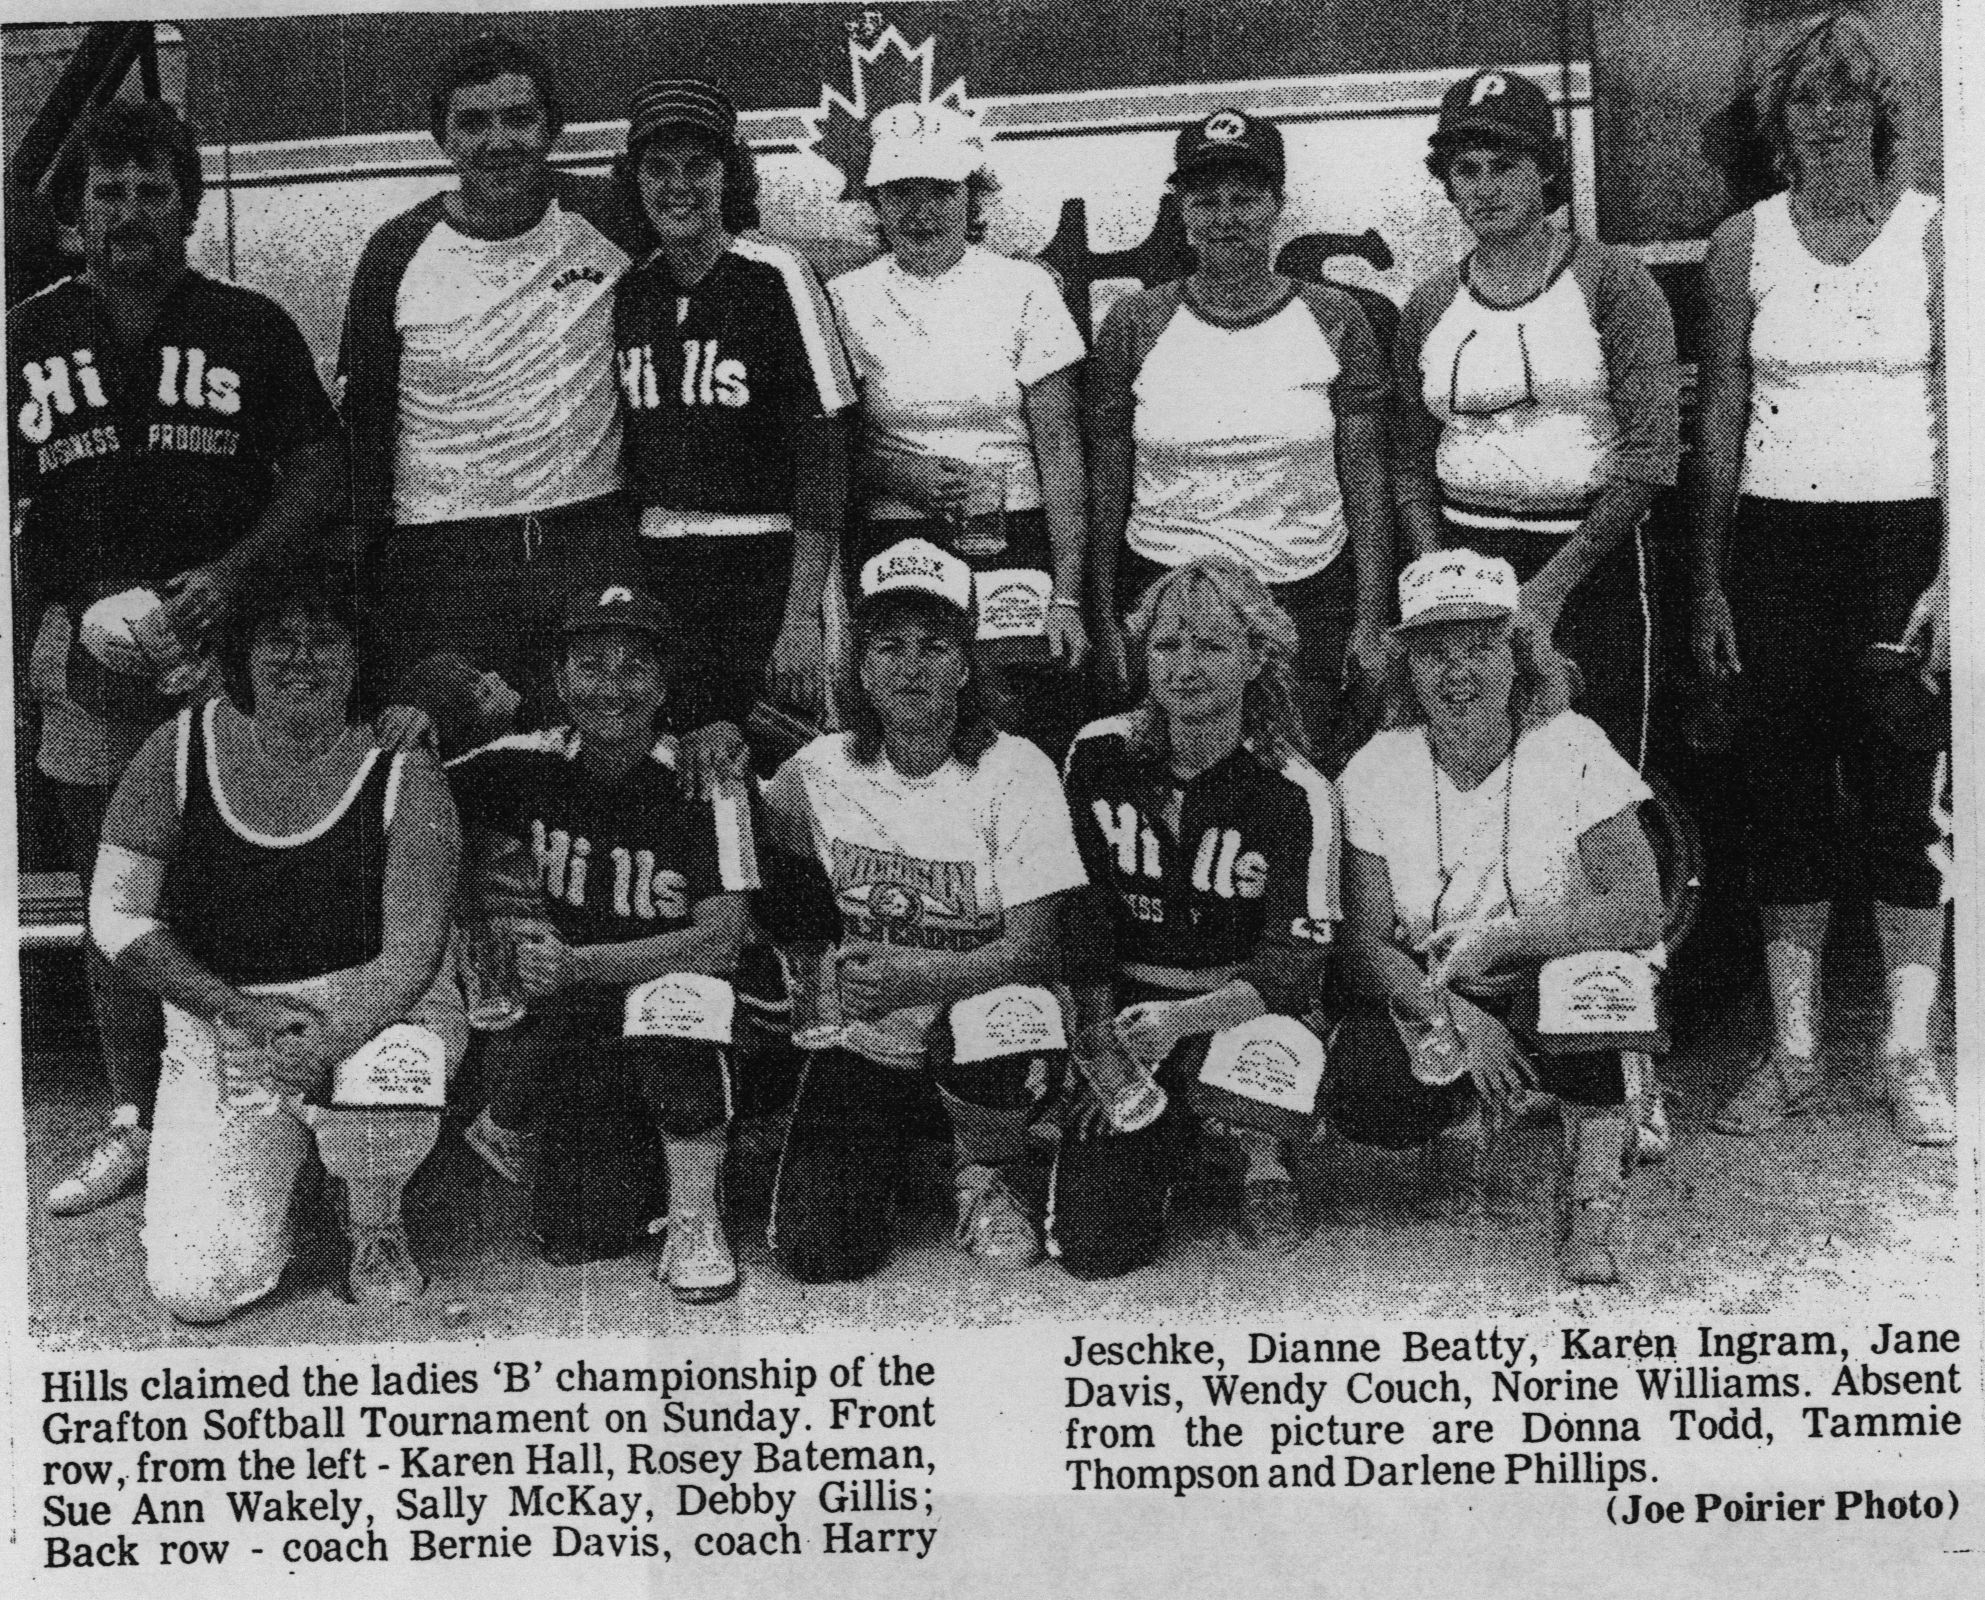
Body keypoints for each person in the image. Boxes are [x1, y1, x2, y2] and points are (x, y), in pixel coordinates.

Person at [11, 101, 345, 1217]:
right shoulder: (28, 334)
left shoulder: (248, 326)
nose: (131, 212)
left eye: (155, 191)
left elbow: (316, 468)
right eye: (109, 192)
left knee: (240, 877)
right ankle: (135, 1119)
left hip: (225, 650)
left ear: (187, 206)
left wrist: (236, 581)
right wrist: (48, 621)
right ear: (78, 210)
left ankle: (259, 1097)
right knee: (118, 901)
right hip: (88, 653)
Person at [1692, 14, 1950, 1145]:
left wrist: (1955, 577)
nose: (1829, 115)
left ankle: (1906, 1055)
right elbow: (1720, 418)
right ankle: (1791, 1053)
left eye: (1848, 96)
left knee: (1903, 795)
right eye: (1805, 98)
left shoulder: (1940, 235)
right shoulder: (1741, 241)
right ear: (1778, 122)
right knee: (1784, 794)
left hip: (1905, 543)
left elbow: (1970, 415)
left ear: (1880, 113)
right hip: (1774, 545)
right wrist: (1706, 579)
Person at [87, 572, 464, 1322]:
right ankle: (284, 1163)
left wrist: (328, 1035)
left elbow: (412, 957)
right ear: (241, 655)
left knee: (397, 1065)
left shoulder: (402, 770)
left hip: (370, 1008)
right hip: (227, 1014)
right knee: (198, 1289)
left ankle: (374, 1220)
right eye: (276, 640)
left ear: (359, 661)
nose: (300, 659)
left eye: (325, 641)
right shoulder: (179, 746)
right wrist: (239, 1012)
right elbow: (117, 918)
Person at [1332, 551, 1664, 1285]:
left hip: (1556, 974)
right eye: (1434, 653)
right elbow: (1362, 940)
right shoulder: (1375, 766)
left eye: (1481, 648)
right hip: (1449, 987)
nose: (1458, 672)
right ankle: (1466, 1113)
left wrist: (1508, 939)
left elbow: (1640, 909)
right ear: (1406, 671)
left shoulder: (1572, 743)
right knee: (1364, 1090)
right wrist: (1449, 1012)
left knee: (1594, 986)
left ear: (1518, 656)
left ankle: (1594, 1193)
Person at [760, 540, 1088, 1280]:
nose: (910, 666)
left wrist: (918, 977)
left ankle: (989, 1175)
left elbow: (1036, 948)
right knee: (819, 1255)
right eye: (888, 647)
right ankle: (905, 1149)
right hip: (869, 1030)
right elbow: (758, 847)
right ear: (862, 670)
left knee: (1007, 1022)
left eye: (934, 646)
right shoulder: (817, 771)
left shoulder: (1015, 768)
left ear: (966, 666)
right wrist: (712, 747)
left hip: (980, 1019)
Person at [446, 582, 761, 1301]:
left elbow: (719, 941)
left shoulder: (706, 777)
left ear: (662, 684)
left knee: (677, 1004)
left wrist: (581, 962)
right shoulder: (524, 759)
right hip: (579, 1022)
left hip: (683, 1010)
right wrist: (473, 901)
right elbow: (406, 793)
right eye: (589, 666)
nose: (609, 688)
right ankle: (629, 1149)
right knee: (578, 1232)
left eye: (633, 668)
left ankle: (695, 1217)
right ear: (558, 680)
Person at [1050, 557, 1339, 1277]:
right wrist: (1097, 1040)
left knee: (1275, 1042)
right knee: (1095, 1249)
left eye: (1210, 647)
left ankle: (1262, 1159)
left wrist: (1181, 1024)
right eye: (1165, 646)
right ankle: (1169, 1138)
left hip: (1242, 1008)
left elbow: (1291, 968)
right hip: (1126, 1007)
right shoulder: (1096, 752)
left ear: (1255, 659)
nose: (1184, 668)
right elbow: (1078, 912)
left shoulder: (1294, 787)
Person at [338, 31, 640, 719]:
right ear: (442, 138)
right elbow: (363, 424)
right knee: (454, 764)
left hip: (585, 537)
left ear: (552, 129)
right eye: (473, 122)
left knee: (579, 750)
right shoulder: (396, 252)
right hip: (444, 553)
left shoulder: (611, 219)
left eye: (519, 118)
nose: (498, 141)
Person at [1394, 69, 1680, 769]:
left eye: (1505, 166)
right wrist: (1440, 572)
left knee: (1601, 770)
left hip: (1591, 560)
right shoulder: (1429, 304)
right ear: (1448, 181)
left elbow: (1649, 459)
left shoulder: (1612, 281)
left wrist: (1549, 589)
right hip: (1468, 550)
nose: (1484, 188)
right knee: (1484, 769)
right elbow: (1406, 463)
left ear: (1545, 171)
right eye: (1466, 170)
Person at [1088, 109, 1393, 768]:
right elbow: (1107, 481)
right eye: (1205, 201)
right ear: (1182, 211)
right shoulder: (1135, 322)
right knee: (1172, 778)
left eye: (1245, 199)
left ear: (1277, 205)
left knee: (1296, 781)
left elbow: (1366, 482)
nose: (1225, 217)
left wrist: (1368, 619)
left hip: (1303, 591)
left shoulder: (1335, 316)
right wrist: (1102, 609)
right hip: (1163, 592)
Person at [828, 101, 1090, 755]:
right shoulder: (844, 297)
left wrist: (1067, 596)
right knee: (908, 725)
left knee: (1018, 728)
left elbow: (1058, 446)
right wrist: (898, 473)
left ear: (972, 198)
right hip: (895, 538)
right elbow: (827, 449)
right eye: (900, 194)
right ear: (875, 202)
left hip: (1013, 537)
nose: (920, 213)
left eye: (940, 192)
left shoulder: (1023, 287)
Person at [613, 79, 856, 773]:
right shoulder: (633, 290)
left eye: (700, 166)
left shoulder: (776, 274)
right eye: (658, 169)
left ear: (730, 175)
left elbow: (825, 448)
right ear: (635, 182)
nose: (678, 186)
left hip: (768, 563)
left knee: (792, 766)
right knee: (691, 763)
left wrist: (801, 617)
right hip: (664, 566)